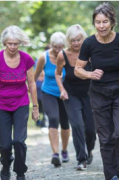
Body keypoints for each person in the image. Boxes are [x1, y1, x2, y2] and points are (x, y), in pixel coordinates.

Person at [74, 3, 119, 180]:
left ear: (112, 22)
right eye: (98, 22)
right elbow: (77, 69)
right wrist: (90, 73)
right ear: (94, 23)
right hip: (98, 92)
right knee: (105, 138)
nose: (101, 25)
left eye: (105, 21)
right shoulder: (88, 43)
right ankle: (112, 175)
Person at [0, 25, 39, 180]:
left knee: (19, 141)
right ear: (4, 43)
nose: (12, 47)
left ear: (20, 43)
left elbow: (32, 84)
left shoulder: (26, 59)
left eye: (15, 43)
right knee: (4, 145)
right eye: (9, 43)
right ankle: (6, 165)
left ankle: (20, 172)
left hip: (21, 103)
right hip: (2, 105)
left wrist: (35, 107)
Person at [55, 24, 96, 171]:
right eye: (73, 40)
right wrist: (62, 89)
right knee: (77, 125)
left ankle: (89, 149)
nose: (76, 43)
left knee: (91, 129)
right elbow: (58, 74)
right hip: (71, 94)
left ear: (83, 39)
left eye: (79, 39)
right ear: (68, 41)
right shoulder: (63, 55)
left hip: (90, 94)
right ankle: (81, 159)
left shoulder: (90, 53)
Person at [34, 32, 70, 167]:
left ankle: (64, 150)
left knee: (65, 123)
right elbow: (35, 76)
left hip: (65, 93)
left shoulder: (68, 55)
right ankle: (55, 153)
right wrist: (30, 92)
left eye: (61, 47)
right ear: (51, 45)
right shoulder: (44, 57)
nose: (58, 50)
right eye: (55, 47)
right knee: (53, 119)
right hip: (48, 92)